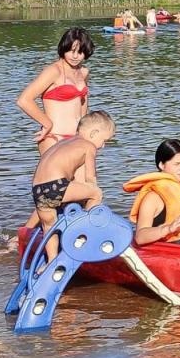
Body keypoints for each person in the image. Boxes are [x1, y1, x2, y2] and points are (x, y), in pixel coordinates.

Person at [30, 111, 114, 259]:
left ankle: (51, 260)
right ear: (94, 133)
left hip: (37, 189)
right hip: (56, 186)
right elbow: (90, 177)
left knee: (49, 226)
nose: (103, 146)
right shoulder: (89, 146)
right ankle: (85, 234)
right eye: (104, 140)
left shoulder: (64, 143)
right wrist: (91, 194)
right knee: (96, 193)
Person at [17, 28, 94, 152]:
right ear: (63, 48)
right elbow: (24, 100)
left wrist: (87, 132)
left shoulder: (84, 72)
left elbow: (83, 104)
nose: (75, 56)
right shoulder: (53, 71)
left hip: (78, 138)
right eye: (71, 51)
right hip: (54, 137)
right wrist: (47, 124)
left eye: (80, 52)